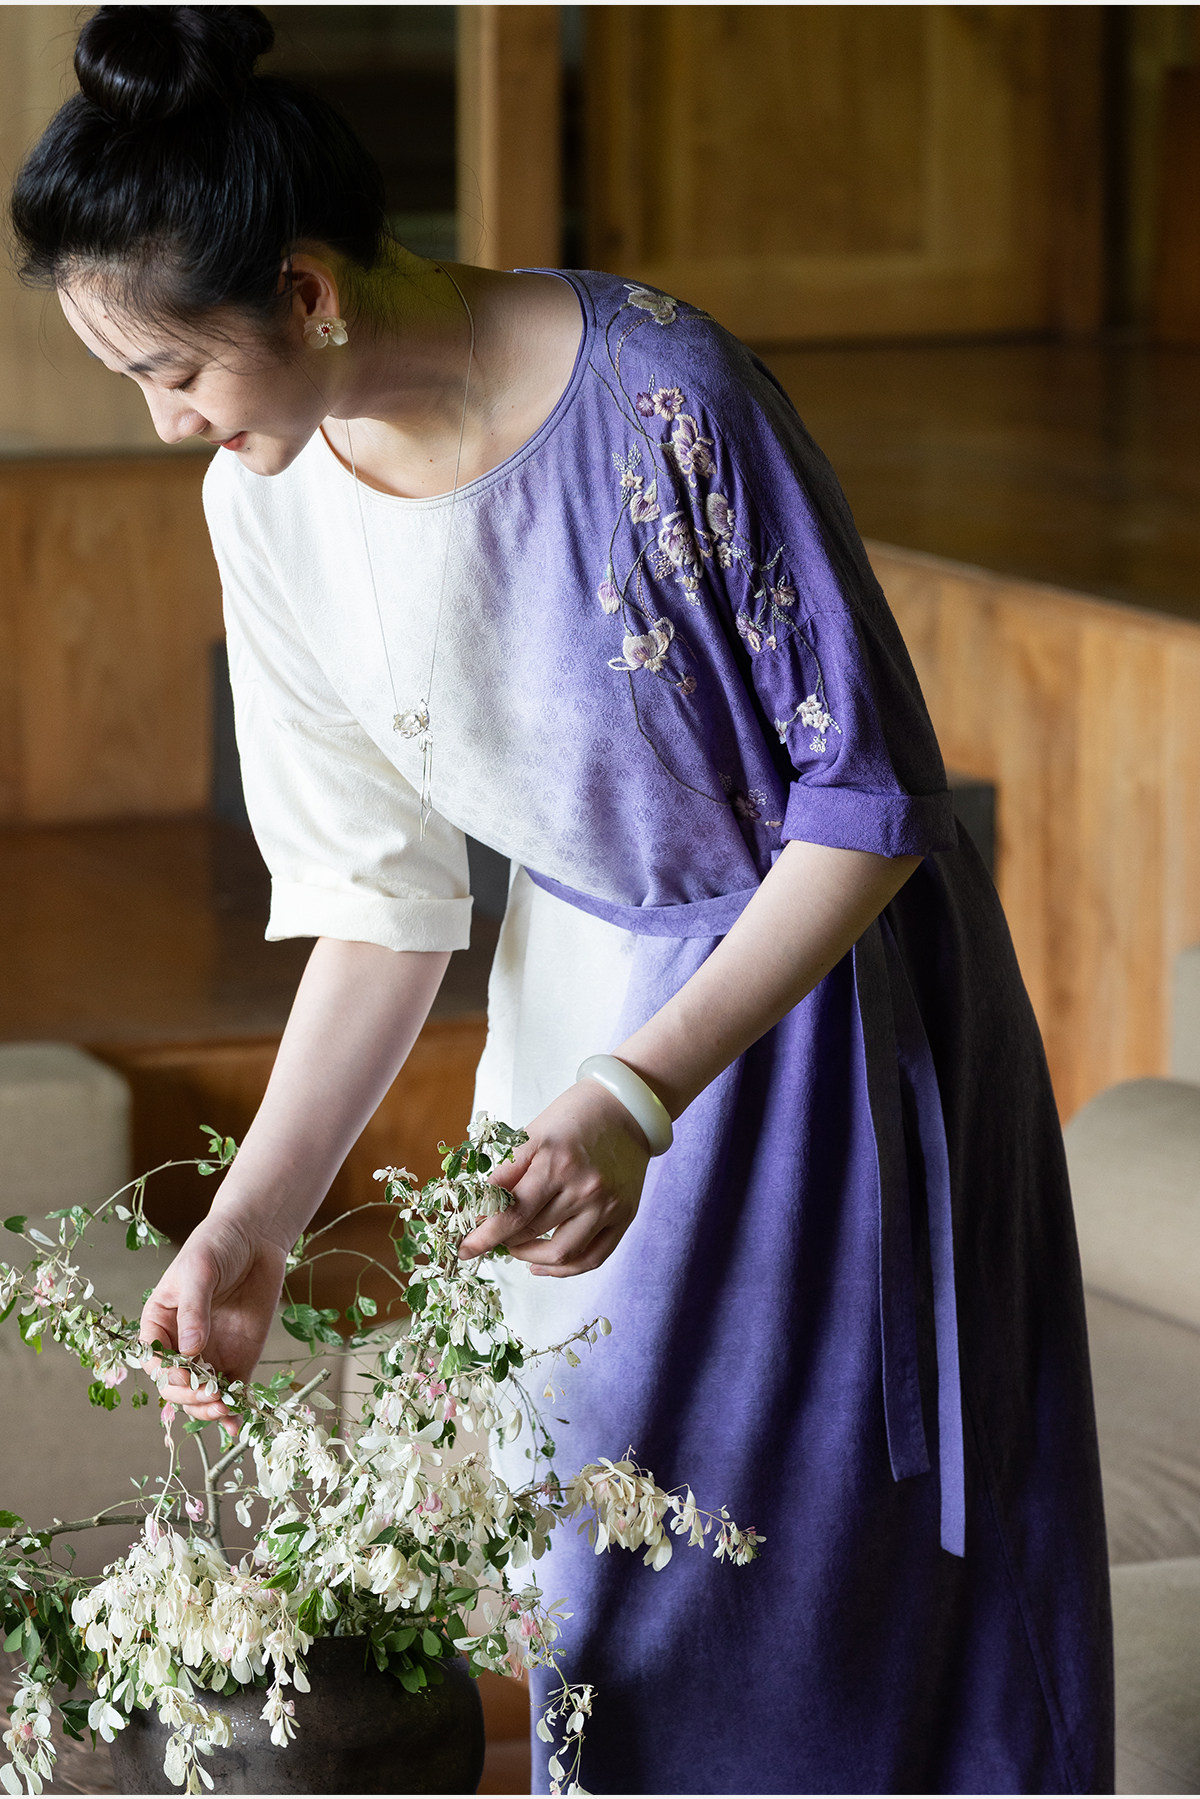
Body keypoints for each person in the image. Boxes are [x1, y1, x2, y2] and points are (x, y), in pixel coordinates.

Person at [10, 7, 1114, 1792]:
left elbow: (867, 808)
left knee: (796, 1596)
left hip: (809, 1013)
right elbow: (381, 901)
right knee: (586, 1573)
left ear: (306, 295)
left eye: (173, 371)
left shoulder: (666, 399)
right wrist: (255, 1219)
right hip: (574, 1021)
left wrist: (640, 1094)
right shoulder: (265, 500)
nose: (165, 424)